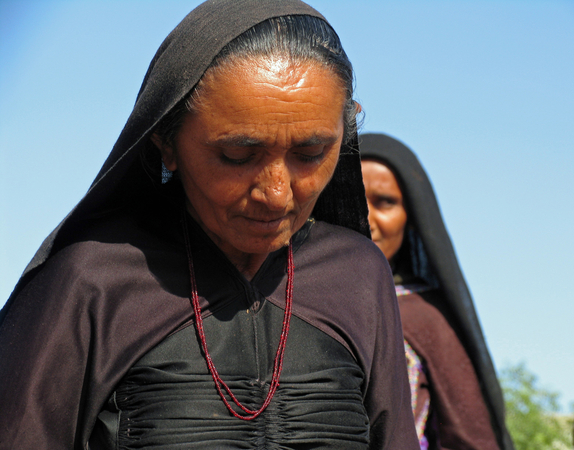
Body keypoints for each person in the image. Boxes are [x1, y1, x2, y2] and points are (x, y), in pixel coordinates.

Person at [0, 3, 419, 449]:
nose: (276, 193)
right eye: (238, 156)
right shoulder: (92, 284)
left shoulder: (358, 277)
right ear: (166, 142)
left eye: (311, 152)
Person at [360, 133, 514, 450]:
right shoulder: (288, 301)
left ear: (411, 218)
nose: (366, 218)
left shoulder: (426, 318)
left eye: (385, 203)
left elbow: (472, 440)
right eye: (353, 198)